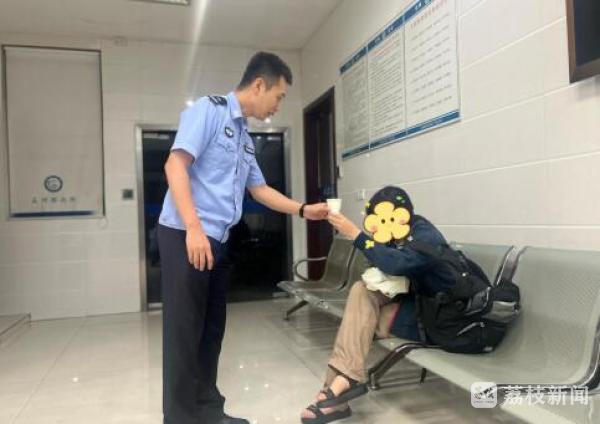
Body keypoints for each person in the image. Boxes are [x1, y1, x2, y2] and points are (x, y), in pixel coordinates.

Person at [158, 51, 329, 424]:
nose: (278, 105)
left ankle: (208, 413)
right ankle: (181, 419)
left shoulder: (243, 137)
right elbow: (175, 164)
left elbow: (260, 190)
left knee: (210, 332)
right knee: (185, 333)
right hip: (186, 235)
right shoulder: (210, 111)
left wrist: (304, 210)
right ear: (259, 85)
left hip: (218, 240)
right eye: (279, 96)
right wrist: (193, 227)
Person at [300, 186, 452, 424]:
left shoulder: (424, 236)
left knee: (359, 321)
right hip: (413, 306)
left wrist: (356, 235)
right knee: (361, 292)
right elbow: (387, 274)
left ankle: (337, 394)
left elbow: (397, 265)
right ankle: (344, 384)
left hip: (439, 317)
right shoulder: (393, 233)